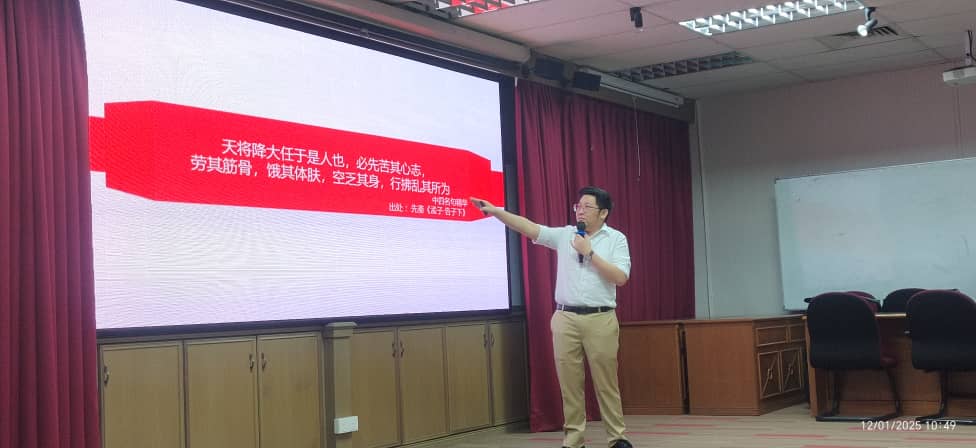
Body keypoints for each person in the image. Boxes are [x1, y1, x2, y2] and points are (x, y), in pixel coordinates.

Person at [470, 186, 632, 448]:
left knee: (606, 383)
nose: (580, 211)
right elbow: (530, 228)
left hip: (600, 318)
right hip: (565, 318)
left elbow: (620, 277)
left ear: (603, 213)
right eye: (578, 206)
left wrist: (589, 253)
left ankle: (617, 438)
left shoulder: (616, 239)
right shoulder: (566, 235)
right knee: (570, 385)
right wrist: (497, 212)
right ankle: (574, 440)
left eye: (587, 206)